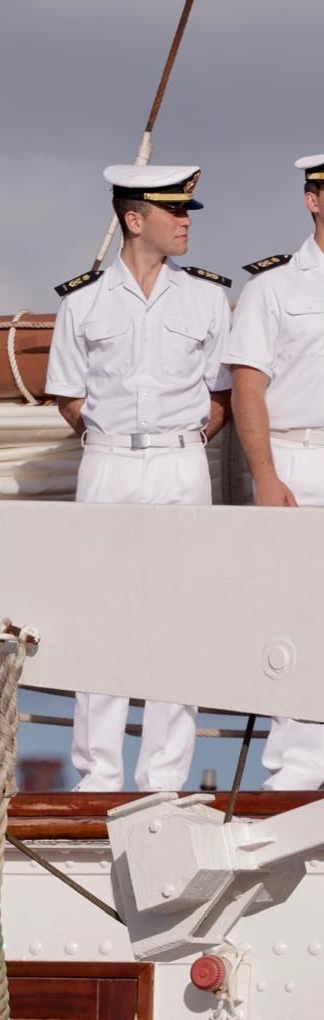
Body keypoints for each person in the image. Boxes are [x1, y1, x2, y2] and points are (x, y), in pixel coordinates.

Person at [45, 164, 232, 792]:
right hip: (108, 462)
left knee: (179, 617)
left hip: (182, 462)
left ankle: (164, 778)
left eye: (187, 211)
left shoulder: (208, 297)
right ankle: (98, 775)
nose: (185, 221)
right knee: (102, 613)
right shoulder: (82, 300)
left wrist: (182, 443)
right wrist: (112, 444)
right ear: (134, 219)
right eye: (174, 211)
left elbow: (223, 394)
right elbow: (68, 395)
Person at [225, 153, 324, 790]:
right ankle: (296, 772)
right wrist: (264, 475)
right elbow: (248, 390)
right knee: (297, 614)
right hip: (298, 458)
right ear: (314, 200)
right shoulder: (273, 289)